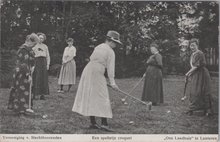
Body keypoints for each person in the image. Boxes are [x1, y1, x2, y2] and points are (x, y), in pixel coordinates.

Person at [72, 31, 122, 131]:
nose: (116, 45)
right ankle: (104, 123)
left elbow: (92, 59)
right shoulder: (110, 52)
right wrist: (113, 83)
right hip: (95, 71)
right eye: (115, 42)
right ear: (110, 41)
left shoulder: (99, 46)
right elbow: (110, 69)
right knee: (102, 96)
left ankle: (93, 122)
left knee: (91, 95)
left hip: (88, 70)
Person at [8, 33, 39, 115]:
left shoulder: (30, 49)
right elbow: (23, 64)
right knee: (21, 90)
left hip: (28, 71)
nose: (34, 46)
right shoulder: (23, 50)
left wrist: (33, 67)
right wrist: (28, 75)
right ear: (29, 41)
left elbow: (32, 60)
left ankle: (26, 108)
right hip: (21, 73)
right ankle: (20, 110)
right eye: (34, 43)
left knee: (27, 89)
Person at [184, 38, 212, 116]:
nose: (192, 47)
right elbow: (193, 66)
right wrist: (189, 74)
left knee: (202, 91)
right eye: (190, 45)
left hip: (202, 74)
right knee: (194, 91)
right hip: (195, 74)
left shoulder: (200, 53)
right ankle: (192, 108)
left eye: (193, 45)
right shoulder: (192, 54)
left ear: (197, 45)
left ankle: (207, 110)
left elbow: (197, 66)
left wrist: (187, 73)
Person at [32, 32, 50, 100]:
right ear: (37, 38)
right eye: (39, 38)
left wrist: (48, 64)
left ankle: (42, 95)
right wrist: (32, 65)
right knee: (36, 77)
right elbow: (32, 56)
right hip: (37, 62)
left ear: (44, 39)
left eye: (42, 38)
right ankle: (34, 94)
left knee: (43, 78)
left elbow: (48, 56)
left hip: (44, 62)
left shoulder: (45, 46)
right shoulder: (34, 46)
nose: (41, 39)